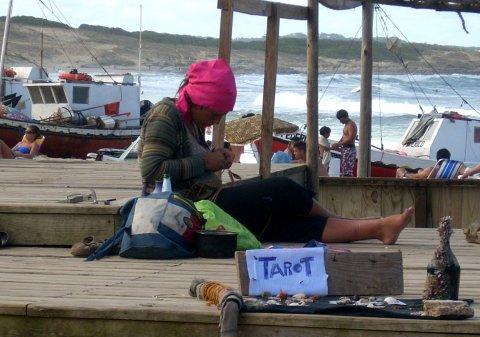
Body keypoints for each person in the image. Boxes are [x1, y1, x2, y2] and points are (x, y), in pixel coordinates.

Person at [139, 59, 414, 244]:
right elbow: (151, 171)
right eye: (215, 113)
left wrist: (213, 161)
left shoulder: (192, 120)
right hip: (188, 211)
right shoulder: (166, 116)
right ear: (198, 102)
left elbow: (193, 162)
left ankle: (378, 228)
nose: (217, 120)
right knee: (282, 189)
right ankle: (360, 223)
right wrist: (205, 161)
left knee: (289, 228)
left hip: (206, 207)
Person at [331, 109, 357, 177]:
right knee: (344, 169)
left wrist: (339, 144)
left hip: (349, 149)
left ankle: (348, 186)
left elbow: (351, 138)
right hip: (345, 149)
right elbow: (344, 137)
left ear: (344, 117)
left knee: (347, 171)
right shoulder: (346, 124)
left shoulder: (351, 125)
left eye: (340, 119)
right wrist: (337, 144)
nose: (340, 121)